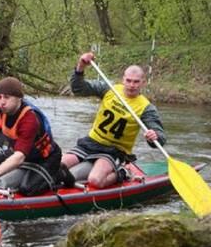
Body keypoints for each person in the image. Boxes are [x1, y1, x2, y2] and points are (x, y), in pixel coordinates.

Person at [62, 51, 166, 188]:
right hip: (90, 143)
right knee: (58, 166)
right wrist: (81, 67)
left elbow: (160, 138)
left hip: (114, 151)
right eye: (128, 81)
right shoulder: (109, 89)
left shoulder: (146, 108)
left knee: (95, 180)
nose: (131, 85)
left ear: (143, 83)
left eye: (136, 82)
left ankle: (123, 172)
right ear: (123, 80)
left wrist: (154, 136)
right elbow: (78, 88)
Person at [0, 59, 65, 196]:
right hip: (26, 156)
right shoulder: (3, 105)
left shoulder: (30, 120)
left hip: (46, 159)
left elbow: (19, 157)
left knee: (27, 189)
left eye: (6, 97)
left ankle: (59, 173)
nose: (2, 102)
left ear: (19, 98)